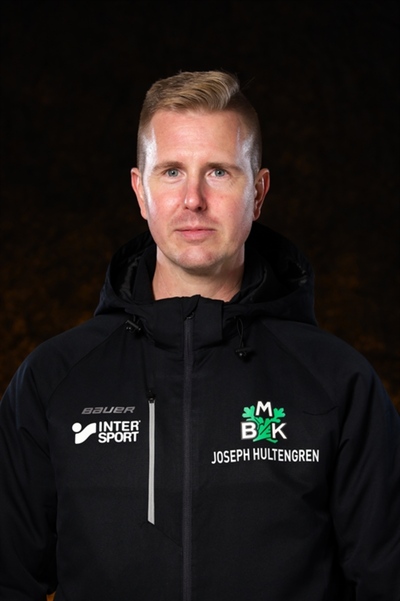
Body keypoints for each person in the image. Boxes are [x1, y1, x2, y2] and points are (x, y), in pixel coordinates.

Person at [0, 70, 399, 601]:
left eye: (218, 172)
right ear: (140, 191)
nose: (193, 199)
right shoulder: (52, 382)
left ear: (257, 193)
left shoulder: (338, 383)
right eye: (171, 172)